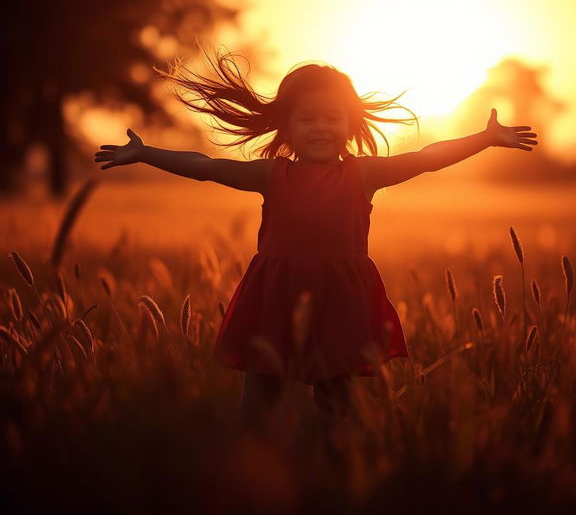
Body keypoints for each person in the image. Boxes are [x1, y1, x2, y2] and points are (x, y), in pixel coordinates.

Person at [94, 47, 537, 428]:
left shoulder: (364, 173)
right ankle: (250, 462)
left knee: (337, 398)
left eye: (332, 117)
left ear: (350, 123)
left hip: (340, 296)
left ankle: (335, 463)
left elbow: (426, 158)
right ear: (286, 127)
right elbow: (206, 166)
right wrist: (146, 153)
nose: (320, 127)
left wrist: (483, 138)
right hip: (276, 292)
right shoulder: (273, 174)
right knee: (260, 394)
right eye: (307, 119)